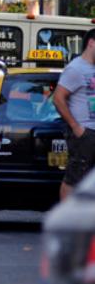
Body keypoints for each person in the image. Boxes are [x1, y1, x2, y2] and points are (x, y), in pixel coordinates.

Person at [54, 28, 95, 200]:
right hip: (85, 133)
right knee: (74, 179)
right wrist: (76, 127)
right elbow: (58, 98)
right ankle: (67, 222)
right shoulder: (75, 69)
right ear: (91, 43)